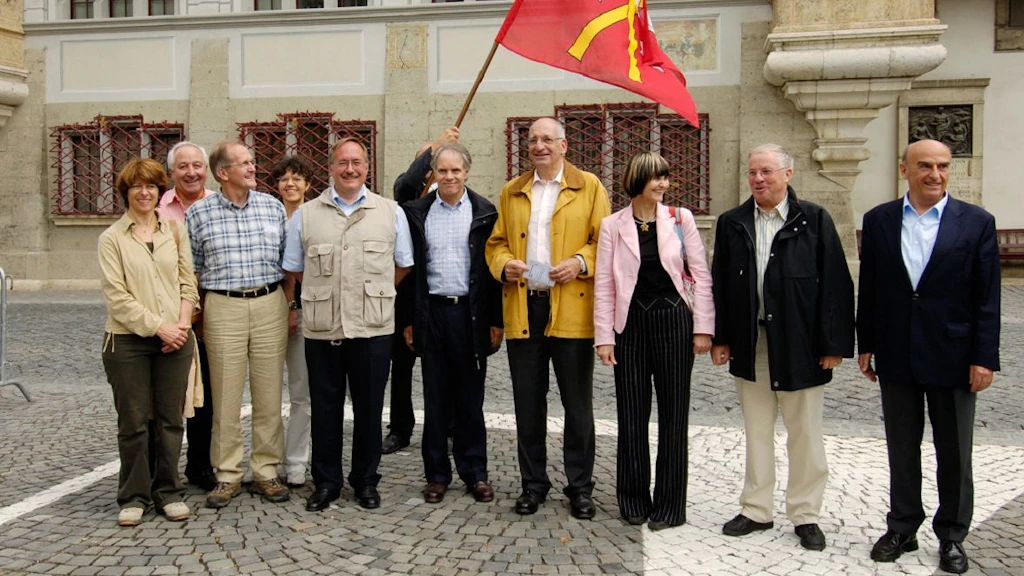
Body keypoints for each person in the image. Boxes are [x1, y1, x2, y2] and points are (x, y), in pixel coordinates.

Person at [857, 139, 1000, 574]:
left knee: (954, 451)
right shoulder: (879, 220)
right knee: (902, 447)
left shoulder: (975, 222)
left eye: (942, 166)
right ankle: (902, 525)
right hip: (898, 353)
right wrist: (866, 343)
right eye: (924, 166)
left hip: (954, 355)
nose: (934, 174)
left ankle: (953, 535)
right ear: (905, 169)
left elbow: (987, 296)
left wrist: (984, 357)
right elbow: (872, 287)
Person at [710, 143, 854, 551]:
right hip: (751, 340)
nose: (758, 179)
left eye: (767, 172)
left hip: (802, 343)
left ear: (788, 175)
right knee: (756, 431)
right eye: (753, 172)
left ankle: (806, 514)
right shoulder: (732, 221)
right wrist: (722, 337)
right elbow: (721, 282)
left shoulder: (815, 219)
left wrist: (833, 344)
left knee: (804, 433)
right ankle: (756, 509)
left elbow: (837, 285)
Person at [485, 117, 611, 519]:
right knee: (527, 403)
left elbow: (604, 241)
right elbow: (497, 243)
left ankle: (580, 487)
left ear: (564, 145)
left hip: (571, 305)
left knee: (577, 405)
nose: (538, 145)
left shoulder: (588, 186)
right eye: (533, 139)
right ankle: (533, 484)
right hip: (526, 305)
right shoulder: (513, 190)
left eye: (546, 139)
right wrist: (503, 264)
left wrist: (579, 262)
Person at [282, 138, 414, 512]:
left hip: (372, 329)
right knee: (325, 409)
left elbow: (403, 263)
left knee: (370, 411)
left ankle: (366, 481)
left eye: (357, 162)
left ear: (367, 167)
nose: (350, 169)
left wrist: (374, 291)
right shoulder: (306, 215)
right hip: (323, 329)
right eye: (343, 162)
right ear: (331, 168)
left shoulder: (390, 212)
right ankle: (326, 482)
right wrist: (328, 292)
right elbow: (294, 266)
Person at [593, 151, 714, 531]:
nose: (662, 184)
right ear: (637, 181)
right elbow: (605, 284)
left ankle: (670, 506)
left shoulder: (681, 219)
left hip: (674, 319)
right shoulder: (612, 225)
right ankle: (632, 499)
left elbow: (701, 274)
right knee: (631, 413)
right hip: (629, 324)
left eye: (665, 176)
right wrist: (604, 338)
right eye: (654, 177)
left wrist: (703, 328)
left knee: (674, 415)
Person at [185, 141, 291, 509]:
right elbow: (192, 270)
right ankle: (227, 474)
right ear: (222, 172)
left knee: (268, 395)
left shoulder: (273, 207)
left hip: (268, 303)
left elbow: (287, 262)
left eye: (252, 162)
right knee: (226, 397)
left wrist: (288, 306)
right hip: (223, 306)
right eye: (244, 163)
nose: (252, 168)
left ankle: (266, 471)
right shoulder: (198, 214)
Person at [400, 142, 503, 504]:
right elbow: (411, 273)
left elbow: (491, 273)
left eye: (455, 170)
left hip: (470, 314)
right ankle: (437, 474)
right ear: (434, 174)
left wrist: (495, 319)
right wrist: (412, 319)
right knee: (436, 398)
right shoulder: (417, 212)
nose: (449, 177)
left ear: (466, 173)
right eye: (442, 170)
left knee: (470, 400)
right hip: (432, 314)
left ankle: (475, 473)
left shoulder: (485, 212)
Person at [98, 158, 199, 526]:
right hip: (128, 342)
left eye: (152, 186)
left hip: (176, 338)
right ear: (126, 192)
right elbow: (118, 298)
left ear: (160, 192)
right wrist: (161, 327)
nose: (144, 192)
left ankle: (168, 491)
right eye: (136, 186)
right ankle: (134, 496)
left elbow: (188, 282)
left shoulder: (174, 231)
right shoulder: (112, 238)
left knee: (171, 420)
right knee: (135, 422)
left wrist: (183, 325)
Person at [384, 126, 460, 455]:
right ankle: (400, 428)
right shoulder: (406, 204)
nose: (435, 174)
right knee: (400, 368)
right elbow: (405, 184)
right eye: (431, 166)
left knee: (442, 368)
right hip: (404, 300)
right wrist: (433, 150)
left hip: (438, 299)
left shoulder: (448, 204)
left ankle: (446, 425)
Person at [158, 141, 218, 492]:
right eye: (183, 166)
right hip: (165, 316)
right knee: (163, 398)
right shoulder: (158, 208)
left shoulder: (216, 205)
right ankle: (160, 469)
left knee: (204, 397)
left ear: (207, 170)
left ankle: (199, 465)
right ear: (171, 173)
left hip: (207, 315)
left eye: (197, 165)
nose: (191, 172)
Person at [270, 155, 315, 487]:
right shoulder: (267, 217)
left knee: (302, 392)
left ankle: (297, 459)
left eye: (297, 178)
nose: (290, 183)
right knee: (267, 391)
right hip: (268, 309)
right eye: (284, 178)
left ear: (307, 184)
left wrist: (293, 306)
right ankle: (268, 459)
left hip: (304, 311)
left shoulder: (314, 217)